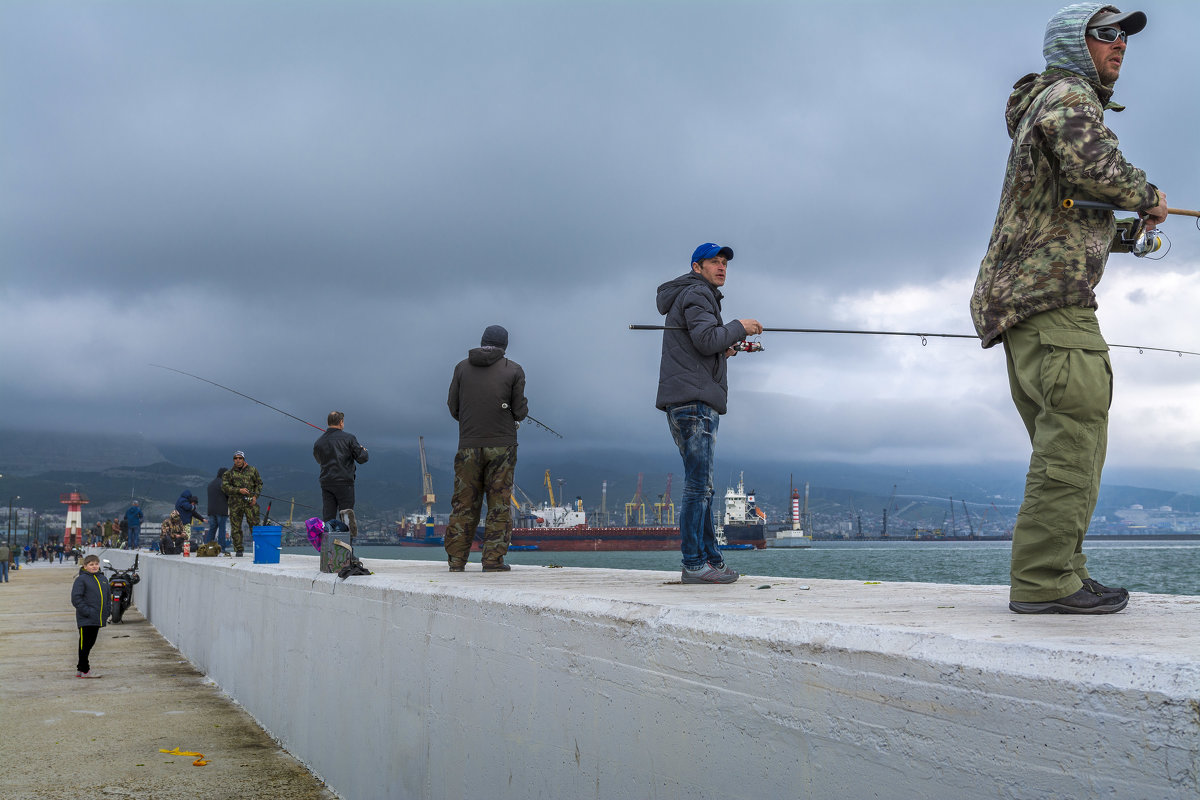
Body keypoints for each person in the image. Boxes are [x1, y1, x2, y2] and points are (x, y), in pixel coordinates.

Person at [970, 4, 1167, 614]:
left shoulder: (1050, 105)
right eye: (1105, 34)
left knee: (1066, 443)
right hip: (1053, 304)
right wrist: (1149, 196)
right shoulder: (1068, 97)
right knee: (1073, 439)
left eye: (1124, 35)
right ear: (1072, 43)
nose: (1120, 45)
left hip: (1029, 302)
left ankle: (1062, 571)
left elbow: (1068, 212)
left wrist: (1130, 234)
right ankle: (1044, 579)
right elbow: (1098, 168)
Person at [656, 242, 762, 584]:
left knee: (704, 487)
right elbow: (705, 339)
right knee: (698, 487)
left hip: (687, 398)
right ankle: (694, 563)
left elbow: (701, 346)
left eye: (724, 263)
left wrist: (724, 351)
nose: (721, 267)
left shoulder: (693, 294)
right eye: (714, 262)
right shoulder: (697, 294)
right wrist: (739, 326)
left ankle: (709, 560)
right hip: (693, 403)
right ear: (696, 266)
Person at [444, 324, 528, 572]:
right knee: (499, 503)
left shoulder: (461, 368)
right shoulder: (514, 370)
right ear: (505, 346)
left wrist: (472, 425)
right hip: (502, 446)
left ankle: (456, 561)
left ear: (482, 341)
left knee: (464, 502)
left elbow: (453, 406)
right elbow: (520, 411)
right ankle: (492, 560)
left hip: (468, 444)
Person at [313, 411, 369, 523]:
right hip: (344, 483)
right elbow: (362, 459)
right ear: (341, 422)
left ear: (328, 422)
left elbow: (319, 460)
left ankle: (328, 539)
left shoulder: (319, 442)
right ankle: (347, 540)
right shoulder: (349, 438)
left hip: (326, 482)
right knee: (347, 517)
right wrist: (363, 450)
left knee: (328, 516)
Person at [71, 554, 111, 677]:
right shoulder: (81, 579)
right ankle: (85, 670)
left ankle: (80, 669)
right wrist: (87, 611)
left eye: (96, 564)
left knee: (89, 644)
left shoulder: (103, 579)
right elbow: (76, 598)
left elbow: (108, 597)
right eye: (91, 564)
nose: (94, 566)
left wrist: (107, 611)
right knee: (85, 644)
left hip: (98, 618)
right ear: (85, 566)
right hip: (86, 618)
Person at [222, 450, 263, 557]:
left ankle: (259, 547)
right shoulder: (228, 473)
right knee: (235, 528)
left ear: (244, 459)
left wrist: (255, 496)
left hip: (250, 503)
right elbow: (225, 487)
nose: (238, 460)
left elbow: (259, 484)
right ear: (233, 460)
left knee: (255, 525)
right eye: (236, 458)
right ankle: (239, 549)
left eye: (240, 458)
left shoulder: (253, 470)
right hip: (235, 504)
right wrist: (238, 490)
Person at [206, 467, 230, 550]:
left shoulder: (211, 484)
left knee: (212, 529)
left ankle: (206, 547)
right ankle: (221, 548)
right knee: (222, 528)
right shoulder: (224, 484)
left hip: (211, 510)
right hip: (222, 510)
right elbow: (229, 495)